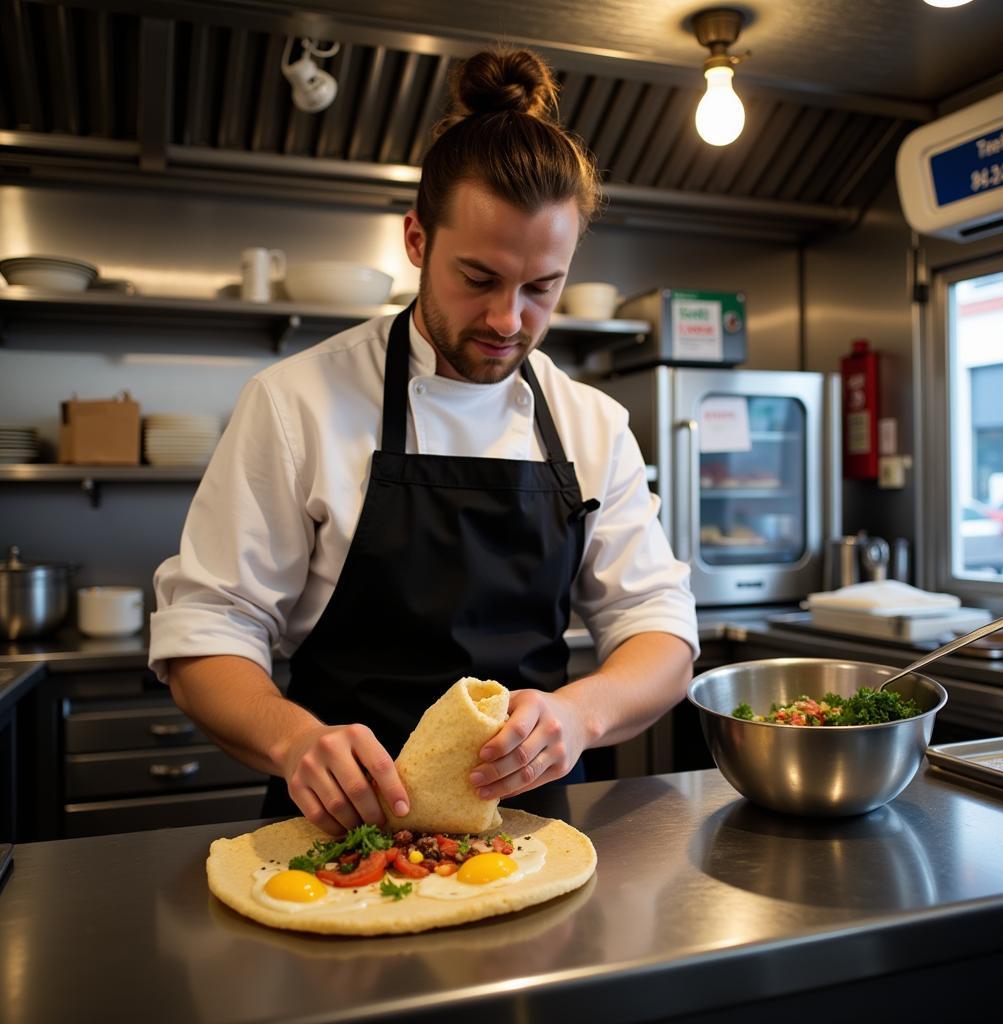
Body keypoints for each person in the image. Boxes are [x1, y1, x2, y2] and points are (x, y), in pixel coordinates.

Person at [150, 47, 699, 837]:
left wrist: (578, 717)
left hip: (532, 835)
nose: (509, 320)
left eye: (542, 287)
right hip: (338, 832)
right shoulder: (295, 402)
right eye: (478, 278)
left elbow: (661, 633)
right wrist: (296, 740)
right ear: (416, 241)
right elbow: (205, 634)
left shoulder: (591, 424)